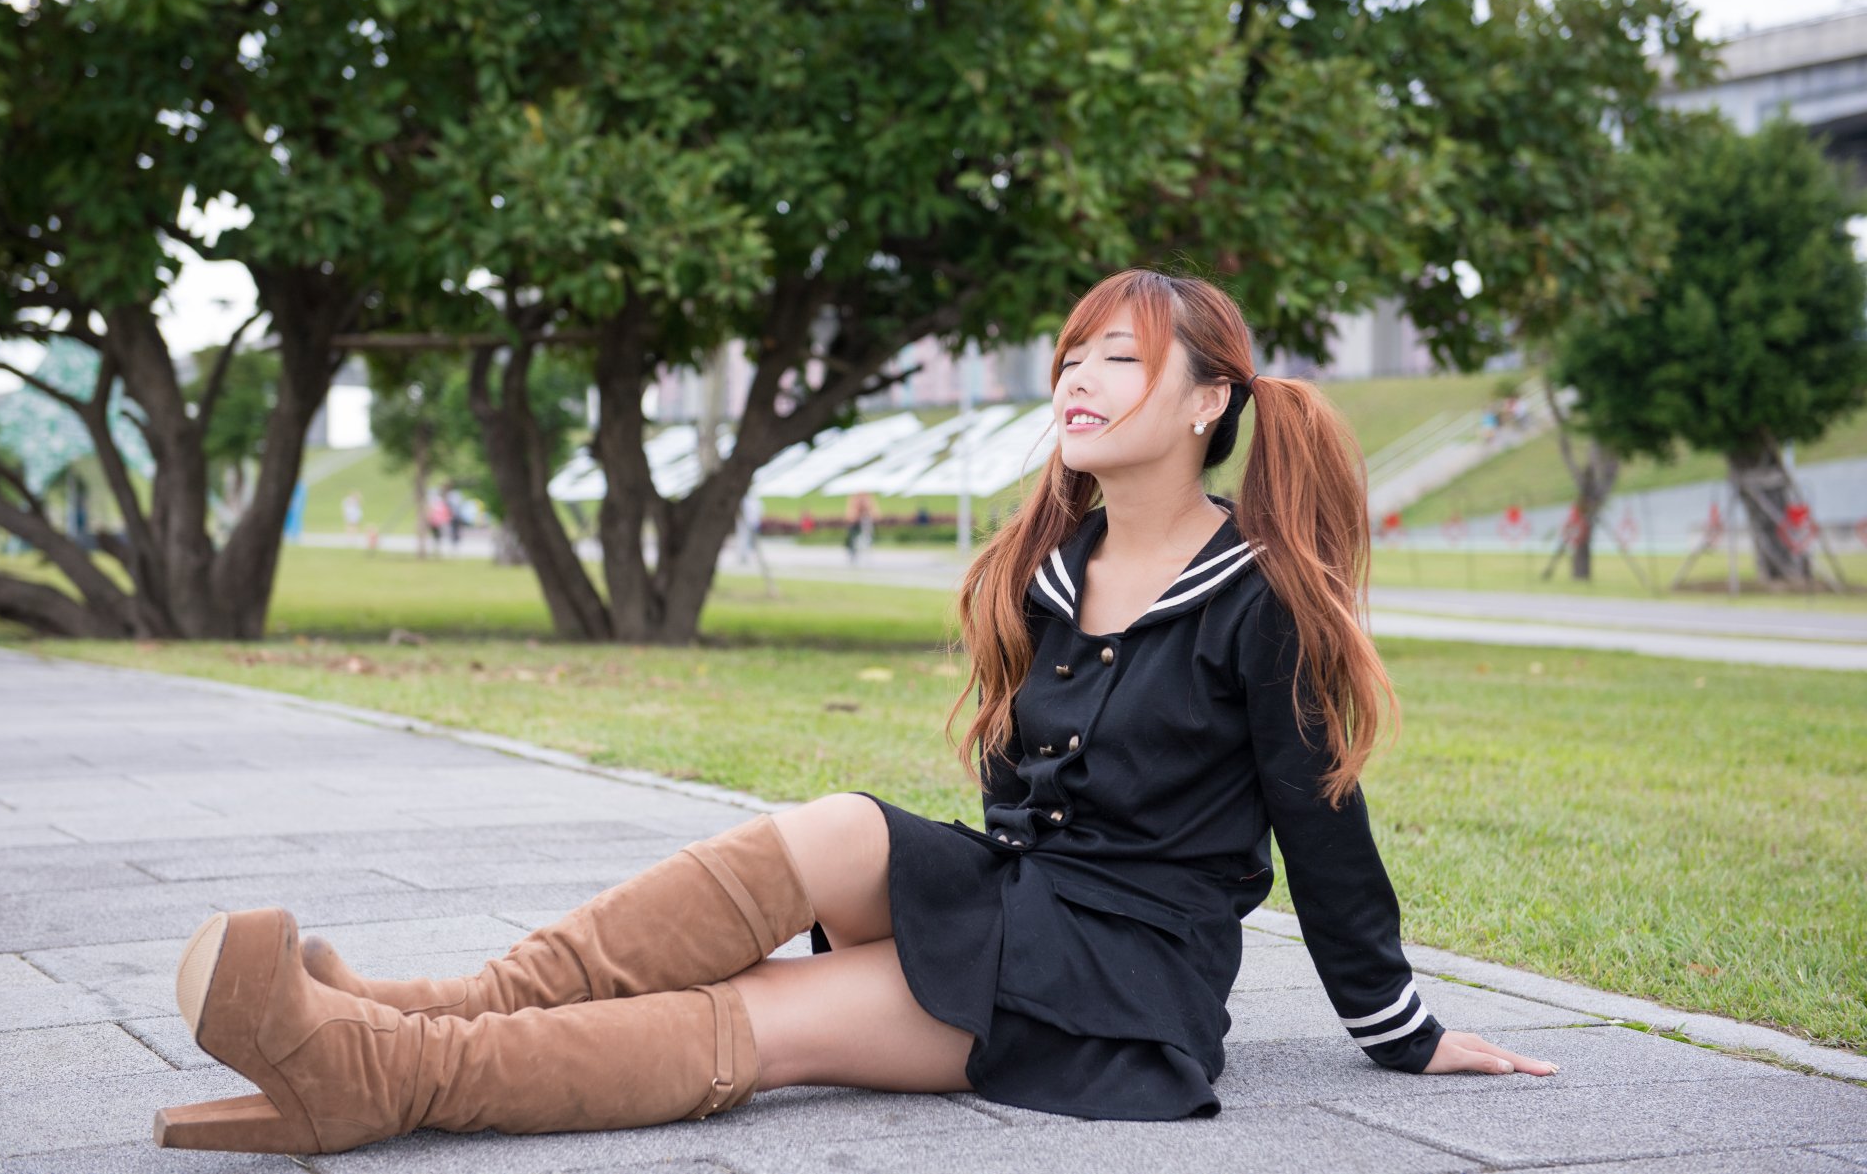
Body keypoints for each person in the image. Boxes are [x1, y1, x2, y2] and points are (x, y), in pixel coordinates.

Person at [153, 269, 1555, 1156]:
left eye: (1116, 362)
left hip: (1120, 986)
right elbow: (1026, 817)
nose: (1075, 378)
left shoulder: (1262, 597)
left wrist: (1404, 1029)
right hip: (1026, 900)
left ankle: (385, 1074)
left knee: (772, 1009)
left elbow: (1324, 824)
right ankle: (423, 1010)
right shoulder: (1048, 568)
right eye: (1068, 356)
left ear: (1207, 402)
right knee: (831, 826)